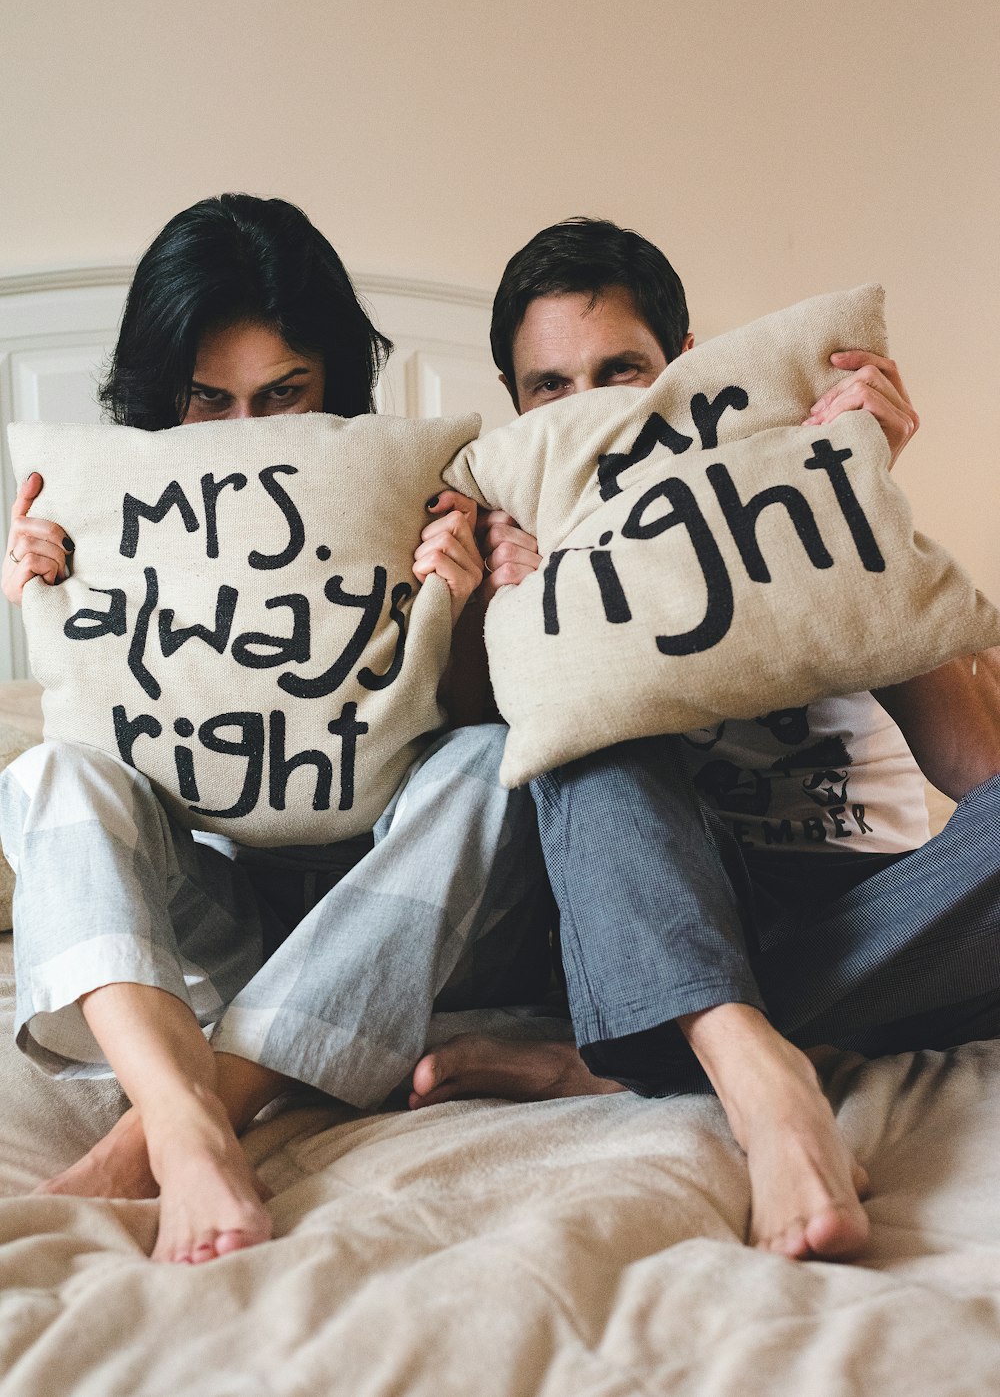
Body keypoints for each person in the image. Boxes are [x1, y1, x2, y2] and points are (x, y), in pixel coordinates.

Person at [411, 217, 1000, 1262]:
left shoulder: (808, 486)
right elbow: (479, 817)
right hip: (644, 905)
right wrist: (495, 618)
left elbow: (978, 777)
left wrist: (858, 500)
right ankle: (755, 1072)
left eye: (619, 370)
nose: (587, 405)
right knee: (587, 731)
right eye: (551, 386)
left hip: (862, 906)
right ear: (516, 408)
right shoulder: (501, 546)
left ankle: (636, 1049)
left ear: (681, 369)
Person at [0, 194, 553, 1265]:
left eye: (285, 394)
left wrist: (471, 608)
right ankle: (185, 1114)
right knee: (43, 775)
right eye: (209, 400)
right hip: (222, 923)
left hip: (402, 918)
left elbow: (501, 748)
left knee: (491, 761)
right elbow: (110, 742)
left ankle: (157, 1129)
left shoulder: (426, 493)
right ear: (160, 399)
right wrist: (52, 597)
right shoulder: (105, 510)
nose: (249, 431)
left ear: (335, 387)